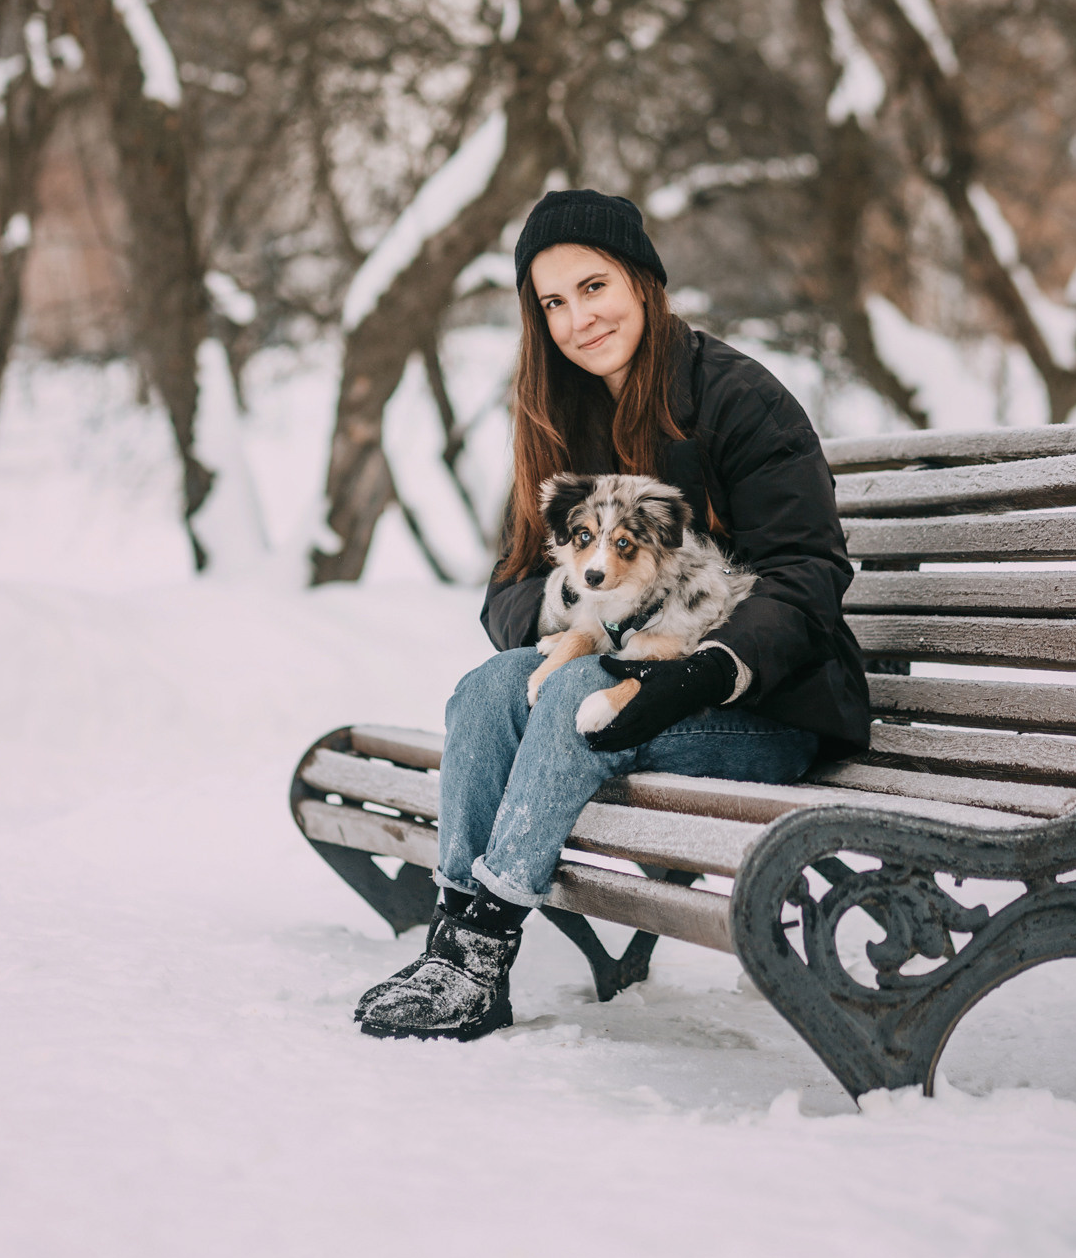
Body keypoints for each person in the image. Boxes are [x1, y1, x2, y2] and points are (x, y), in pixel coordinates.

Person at [356, 188, 870, 1040]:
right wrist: (577, 620)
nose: (577, 320)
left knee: (569, 695)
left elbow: (806, 570)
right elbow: (515, 580)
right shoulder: (562, 420)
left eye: (593, 287)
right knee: (491, 688)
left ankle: (485, 942)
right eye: (552, 303)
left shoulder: (738, 397)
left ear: (641, 281)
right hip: (611, 682)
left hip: (762, 709)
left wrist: (701, 670)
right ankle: (455, 944)